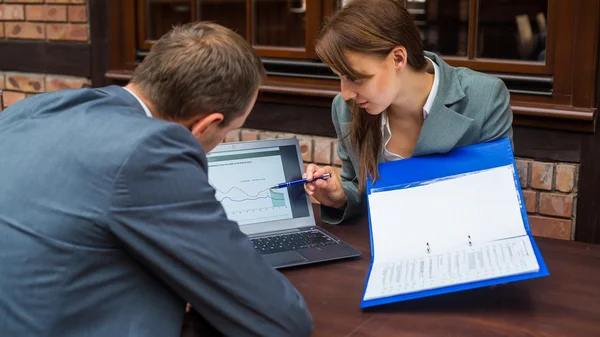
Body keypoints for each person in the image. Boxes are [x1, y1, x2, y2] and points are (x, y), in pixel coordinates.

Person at [0, 22, 313, 337]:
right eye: (228, 132)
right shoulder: (152, 152)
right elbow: (281, 320)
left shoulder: (32, 110)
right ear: (204, 126)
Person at [304, 0, 513, 225]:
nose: (345, 93)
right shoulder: (345, 108)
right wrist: (340, 197)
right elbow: (358, 187)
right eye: (340, 77)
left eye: (355, 78)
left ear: (398, 59)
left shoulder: (485, 98)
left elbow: (498, 199)